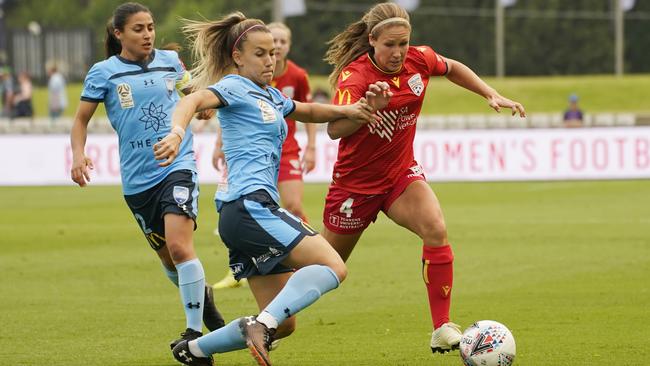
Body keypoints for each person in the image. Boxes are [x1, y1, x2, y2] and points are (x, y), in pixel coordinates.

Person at [153, 12, 386, 366]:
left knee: (285, 323)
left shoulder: (271, 96)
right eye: (260, 54)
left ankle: (194, 350)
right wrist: (175, 132)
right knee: (333, 267)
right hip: (250, 206)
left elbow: (307, 109)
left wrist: (352, 111)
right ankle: (259, 325)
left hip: (241, 214)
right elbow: (193, 101)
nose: (269, 60)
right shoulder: (233, 86)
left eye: (273, 53)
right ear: (238, 57)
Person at [322, 2, 526, 355]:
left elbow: (452, 67)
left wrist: (489, 92)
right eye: (390, 45)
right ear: (372, 40)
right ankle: (270, 314)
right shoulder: (356, 78)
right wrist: (369, 110)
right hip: (354, 187)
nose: (398, 53)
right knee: (325, 270)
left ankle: (441, 326)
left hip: (400, 175)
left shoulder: (419, 59)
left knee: (435, 227)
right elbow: (334, 129)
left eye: (404, 43)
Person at [69, 1, 224, 350]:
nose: (148, 35)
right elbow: (80, 120)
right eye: (139, 29)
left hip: (176, 166)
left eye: (151, 27)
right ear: (118, 33)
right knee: (170, 260)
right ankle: (205, 301)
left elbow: (193, 97)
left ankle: (194, 335)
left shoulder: (170, 62)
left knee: (181, 247)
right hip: (138, 182)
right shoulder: (104, 72)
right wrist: (78, 155)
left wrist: (202, 110)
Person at [211, 22, 317, 290]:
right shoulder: (240, 81)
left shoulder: (295, 77)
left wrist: (313, 145)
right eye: (269, 47)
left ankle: (295, 256)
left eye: (280, 44)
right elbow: (228, 112)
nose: (276, 50)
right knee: (247, 212)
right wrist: (216, 144)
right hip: (250, 166)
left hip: (286, 149)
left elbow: (311, 112)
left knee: (292, 205)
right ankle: (247, 267)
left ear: (287, 46)